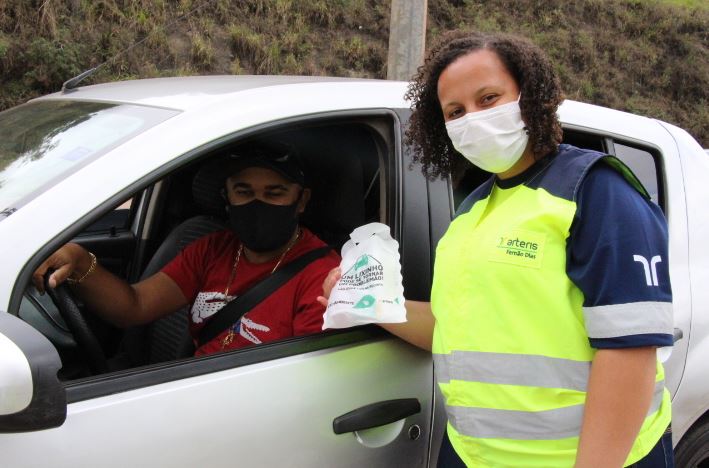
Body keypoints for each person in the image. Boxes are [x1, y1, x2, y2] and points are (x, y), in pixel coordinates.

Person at [322, 30, 674, 467]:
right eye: (455, 111)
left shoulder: (596, 190)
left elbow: (629, 351)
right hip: (476, 455)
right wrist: (367, 301)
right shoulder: (474, 209)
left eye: (488, 99)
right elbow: (453, 328)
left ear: (530, 94)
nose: (472, 119)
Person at [33, 143, 341, 356]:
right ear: (227, 197)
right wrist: (79, 261)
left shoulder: (322, 276)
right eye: (243, 192)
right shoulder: (213, 248)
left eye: (275, 193)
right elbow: (135, 305)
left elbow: (304, 377)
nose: (257, 204)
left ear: (301, 200)